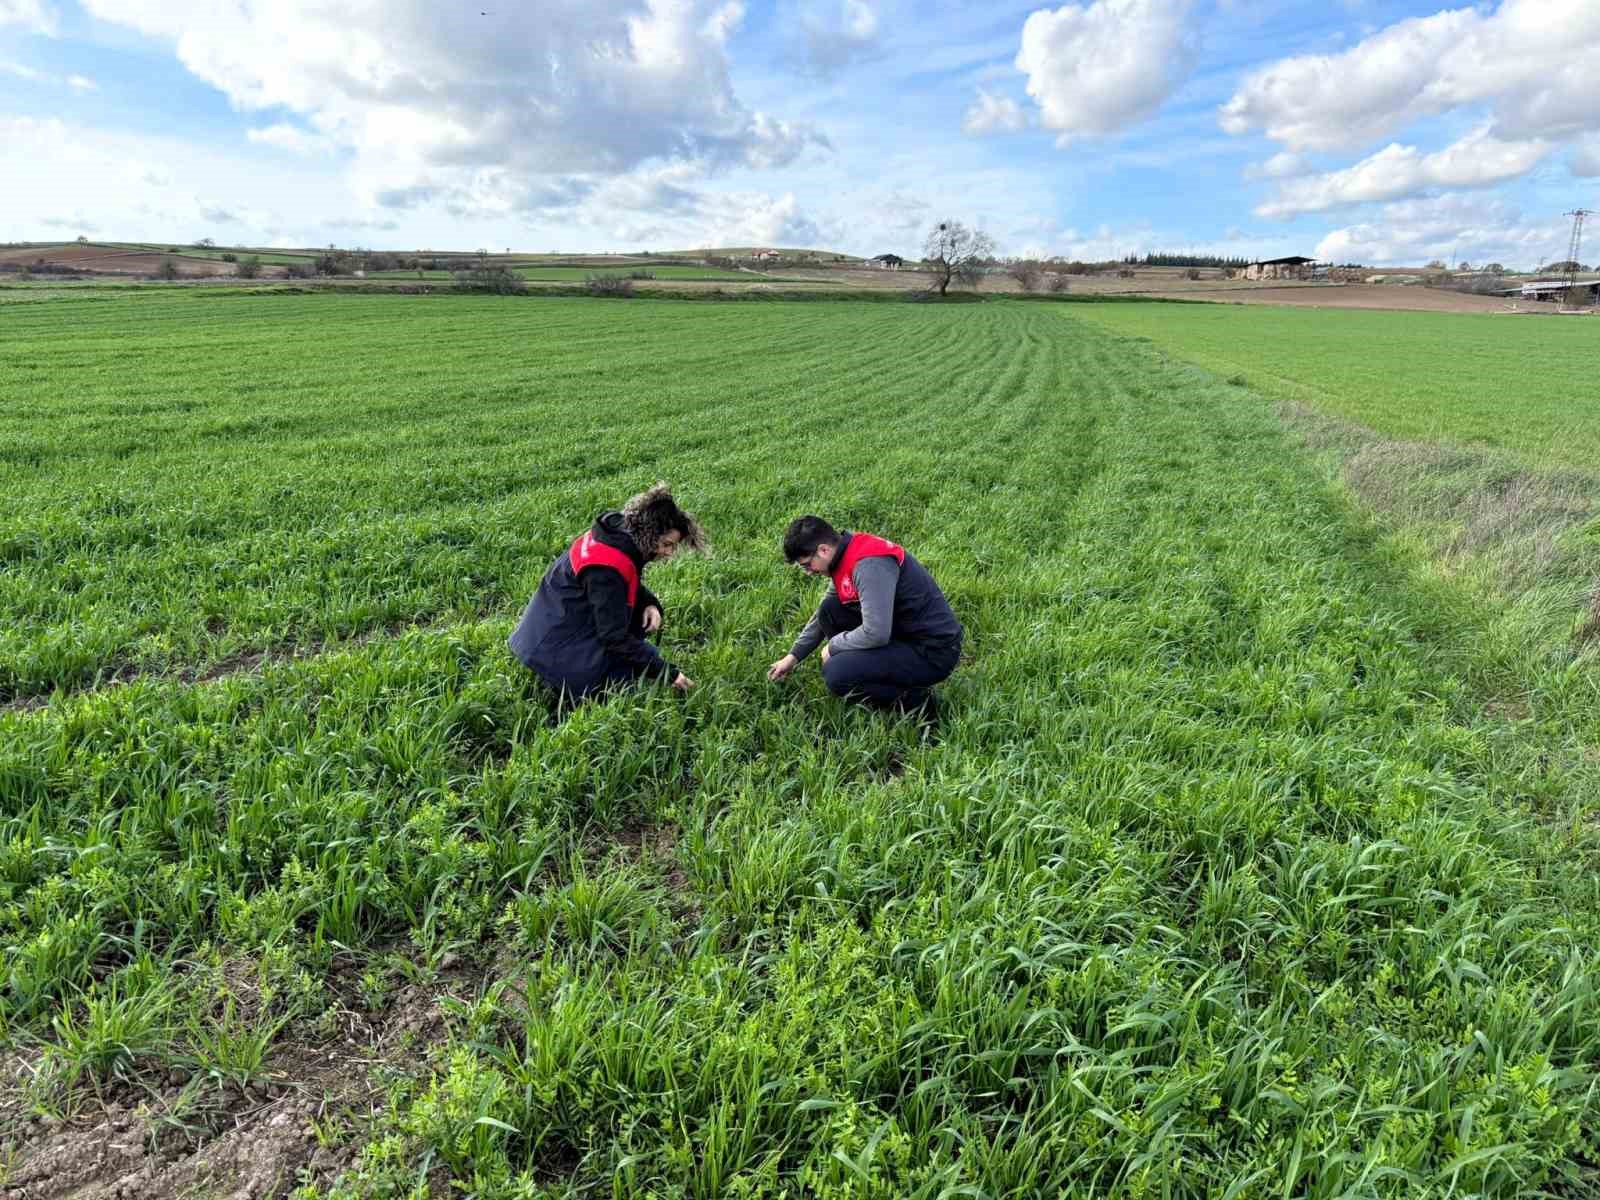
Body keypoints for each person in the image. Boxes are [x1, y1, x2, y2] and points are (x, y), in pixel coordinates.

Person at [509, 483, 705, 702]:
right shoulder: (607, 567)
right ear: (648, 533)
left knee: (632, 642)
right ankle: (566, 689)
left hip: (543, 630)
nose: (668, 552)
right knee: (619, 683)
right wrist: (668, 672)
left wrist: (648, 604)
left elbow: (621, 583)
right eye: (666, 544)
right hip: (548, 648)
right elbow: (614, 636)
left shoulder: (617, 534)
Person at [767, 515, 962, 715]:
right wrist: (793, 656)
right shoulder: (844, 554)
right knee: (829, 610)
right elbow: (821, 616)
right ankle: (870, 669)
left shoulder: (868, 566)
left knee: (836, 673)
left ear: (823, 550)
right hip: (903, 632)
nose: (808, 572)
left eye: (807, 565)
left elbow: (876, 633)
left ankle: (920, 704)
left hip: (933, 651)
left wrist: (833, 647)